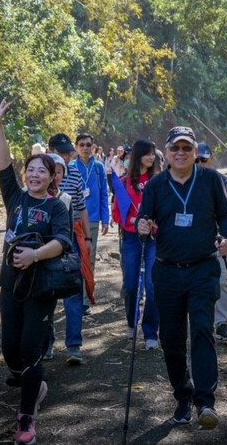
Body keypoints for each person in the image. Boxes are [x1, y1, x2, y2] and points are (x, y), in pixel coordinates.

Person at [137, 126, 227, 430]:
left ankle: (205, 401)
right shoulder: (155, 185)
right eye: (175, 148)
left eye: (186, 148)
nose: (180, 153)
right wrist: (143, 225)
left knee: (203, 329)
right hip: (167, 271)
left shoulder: (213, 180)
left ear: (195, 152)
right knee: (172, 337)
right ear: (165, 153)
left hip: (203, 268)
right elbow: (145, 217)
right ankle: (183, 395)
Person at [0, 100, 72, 445]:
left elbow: (63, 242)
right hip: (11, 284)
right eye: (32, 170)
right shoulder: (16, 199)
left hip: (41, 287)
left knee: (30, 349)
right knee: (10, 348)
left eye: (43, 171)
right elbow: (2, 164)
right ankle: (33, 384)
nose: (35, 175)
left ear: (53, 177)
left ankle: (26, 419)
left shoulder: (55, 205)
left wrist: (35, 255)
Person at [47, 133, 94, 362]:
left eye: (67, 154)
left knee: (73, 291)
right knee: (45, 293)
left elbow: (82, 207)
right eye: (61, 153)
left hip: (73, 238)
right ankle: (46, 343)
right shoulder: (39, 173)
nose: (65, 157)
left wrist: (87, 238)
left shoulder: (74, 174)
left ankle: (74, 344)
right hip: (46, 240)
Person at [112, 140, 159, 350]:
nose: (152, 157)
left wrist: (153, 223)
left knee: (152, 285)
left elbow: (166, 209)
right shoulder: (123, 182)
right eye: (148, 154)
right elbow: (116, 212)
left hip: (153, 240)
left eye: (153, 154)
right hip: (131, 239)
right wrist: (133, 221)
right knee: (131, 286)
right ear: (139, 155)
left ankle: (151, 332)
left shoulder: (158, 181)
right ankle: (132, 322)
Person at [197, 143, 227, 341]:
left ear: (211, 159)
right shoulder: (185, 181)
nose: (201, 163)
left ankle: (222, 322)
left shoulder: (221, 180)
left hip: (219, 237)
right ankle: (202, 322)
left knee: (223, 279)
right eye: (197, 160)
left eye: (204, 160)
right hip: (194, 240)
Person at [69, 133, 109, 276]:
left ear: (93, 148)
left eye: (88, 145)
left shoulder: (99, 168)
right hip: (72, 219)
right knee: (73, 258)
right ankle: (75, 295)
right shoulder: (70, 167)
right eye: (82, 145)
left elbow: (104, 194)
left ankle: (87, 296)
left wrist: (105, 219)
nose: (85, 148)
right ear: (76, 147)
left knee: (89, 258)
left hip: (92, 219)